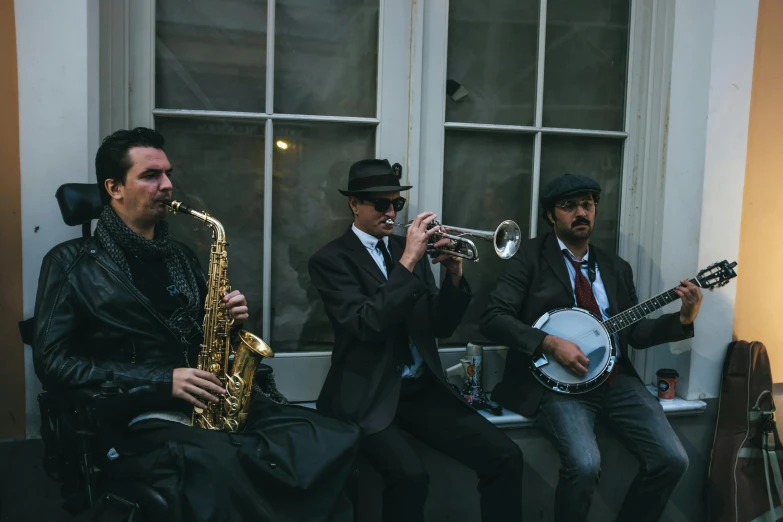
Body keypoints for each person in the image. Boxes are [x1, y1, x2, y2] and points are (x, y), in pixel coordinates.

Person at [32, 127, 360, 522]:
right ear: (114, 187)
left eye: (168, 174)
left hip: (209, 402)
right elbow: (53, 363)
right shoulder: (70, 264)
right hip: (134, 415)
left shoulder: (181, 255)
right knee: (223, 468)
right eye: (151, 175)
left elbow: (209, 335)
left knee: (331, 437)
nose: (167, 185)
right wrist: (162, 380)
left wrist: (229, 320)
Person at [308, 159, 524, 522]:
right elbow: (366, 324)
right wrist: (407, 261)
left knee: (506, 456)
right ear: (354, 204)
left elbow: (439, 326)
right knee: (410, 477)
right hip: (368, 393)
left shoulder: (410, 252)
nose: (391, 212)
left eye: (397, 204)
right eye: (381, 204)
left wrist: (454, 276)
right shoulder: (330, 260)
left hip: (421, 390)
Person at [480, 173, 703, 522]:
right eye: (568, 207)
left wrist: (684, 318)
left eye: (587, 204)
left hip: (615, 381)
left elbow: (638, 334)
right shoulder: (529, 259)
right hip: (555, 385)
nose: (580, 213)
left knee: (673, 459)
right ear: (551, 215)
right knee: (584, 465)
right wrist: (550, 343)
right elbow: (493, 317)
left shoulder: (616, 268)